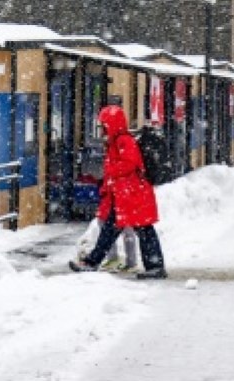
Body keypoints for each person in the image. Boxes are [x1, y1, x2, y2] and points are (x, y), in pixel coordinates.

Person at [69, 104, 167, 279]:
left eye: (105, 125)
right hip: (126, 195)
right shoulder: (117, 141)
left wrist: (111, 170)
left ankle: (155, 266)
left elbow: (130, 164)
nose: (102, 129)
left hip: (133, 194)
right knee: (114, 229)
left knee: (142, 229)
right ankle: (93, 262)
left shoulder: (123, 141)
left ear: (112, 124)